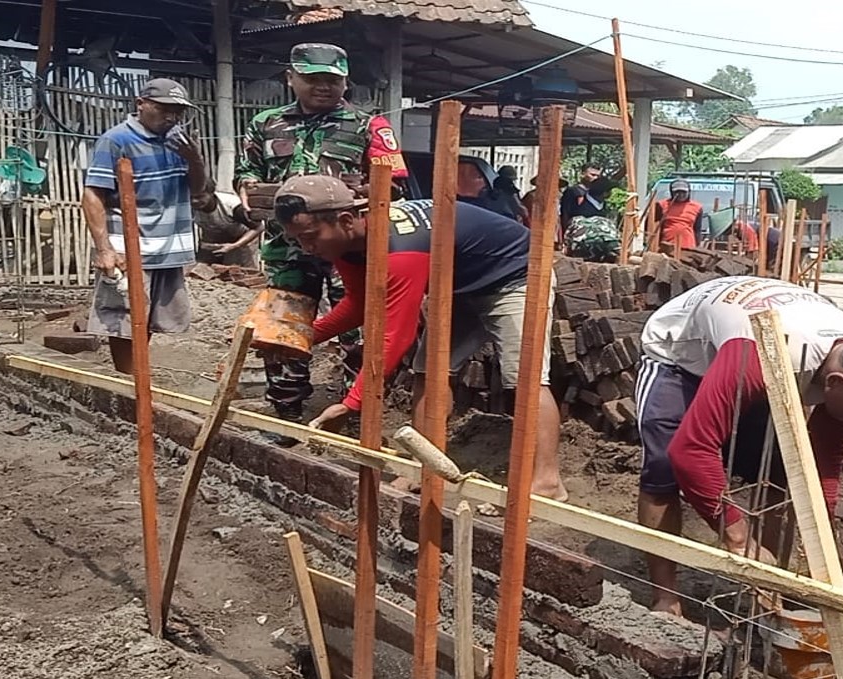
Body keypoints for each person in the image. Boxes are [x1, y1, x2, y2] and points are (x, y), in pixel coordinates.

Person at [635, 275, 843, 615]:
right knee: (664, 471)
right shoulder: (757, 357)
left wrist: (821, 537)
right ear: (836, 384)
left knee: (780, 470)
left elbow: (822, 457)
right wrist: (736, 537)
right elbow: (691, 450)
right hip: (684, 354)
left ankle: (768, 583)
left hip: (772, 350)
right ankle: (665, 597)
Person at [272, 175, 568, 501]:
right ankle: (424, 466)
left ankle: (547, 482)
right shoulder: (349, 246)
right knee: (429, 370)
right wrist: (298, 337)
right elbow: (360, 306)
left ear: (345, 219)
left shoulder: (400, 250)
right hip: (462, 285)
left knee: (525, 378)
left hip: (515, 275)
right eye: (297, 239)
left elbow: (394, 336)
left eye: (310, 237)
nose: (306, 247)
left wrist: (350, 404)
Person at [235, 42, 409, 434]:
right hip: (287, 248)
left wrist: (362, 190)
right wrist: (250, 194)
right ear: (291, 78)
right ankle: (286, 412)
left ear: (345, 81)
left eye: (332, 80)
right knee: (284, 327)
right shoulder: (265, 124)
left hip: (349, 249)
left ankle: (354, 414)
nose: (324, 87)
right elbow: (246, 175)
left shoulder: (370, 126)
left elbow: (396, 186)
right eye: (313, 79)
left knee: (358, 328)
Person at [82, 78, 208, 374]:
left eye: (178, 111)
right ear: (141, 104)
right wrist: (104, 249)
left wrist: (195, 160)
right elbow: (92, 194)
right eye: (164, 109)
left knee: (148, 318)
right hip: (130, 248)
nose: (172, 117)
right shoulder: (117, 140)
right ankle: (131, 383)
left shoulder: (180, 140)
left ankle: (139, 377)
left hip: (168, 247)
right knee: (124, 318)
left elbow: (198, 190)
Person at [656, 179, 707, 250]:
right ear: (671, 192)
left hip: (688, 246)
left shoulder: (697, 207)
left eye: (684, 192)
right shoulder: (662, 205)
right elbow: (654, 226)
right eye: (677, 192)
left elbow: (697, 230)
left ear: (689, 192)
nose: (681, 195)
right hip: (667, 245)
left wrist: (697, 246)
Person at [559, 163, 606, 228]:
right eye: (592, 175)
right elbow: (565, 213)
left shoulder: (599, 195)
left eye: (598, 176)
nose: (595, 178)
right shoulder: (572, 191)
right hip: (576, 231)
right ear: (583, 174)